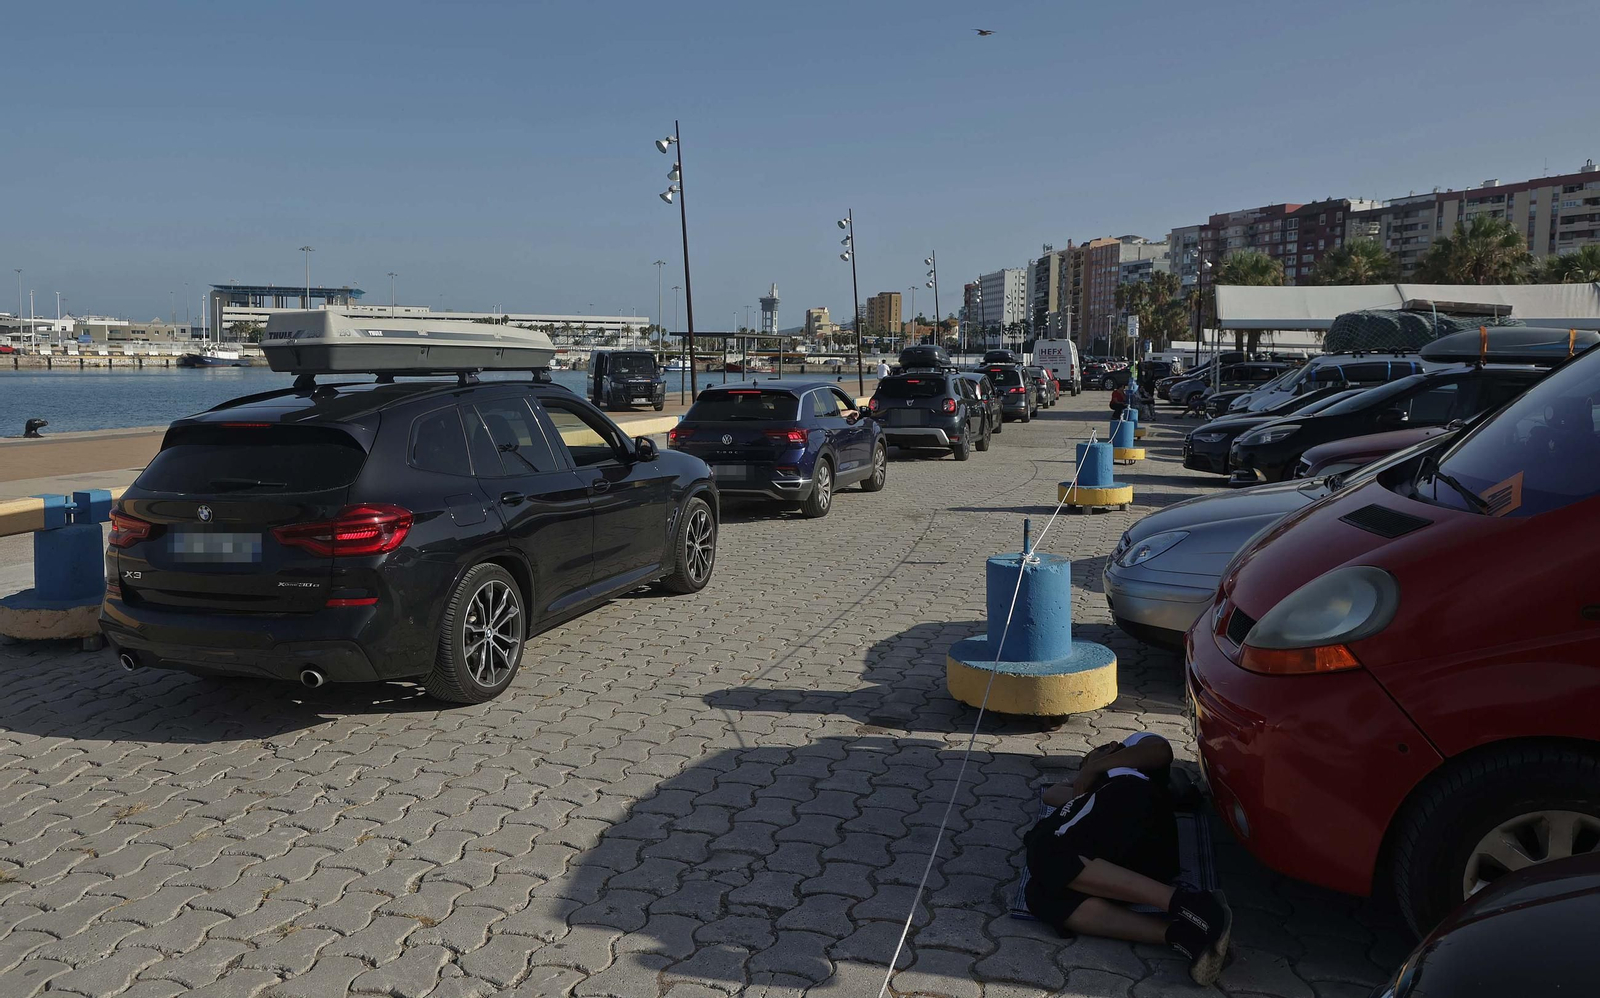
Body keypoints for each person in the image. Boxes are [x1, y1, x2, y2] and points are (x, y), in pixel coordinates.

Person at [1024, 732, 1232, 985]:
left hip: (1136, 808)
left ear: (1110, 747)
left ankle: (1195, 905)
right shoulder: (1093, 797)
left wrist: (1095, 767)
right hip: (1134, 864)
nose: (1085, 769)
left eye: (1087, 759)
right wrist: (1085, 778)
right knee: (1040, 895)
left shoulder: (1129, 755)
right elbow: (1052, 795)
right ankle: (1184, 935)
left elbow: (1161, 750)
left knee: (1047, 850)